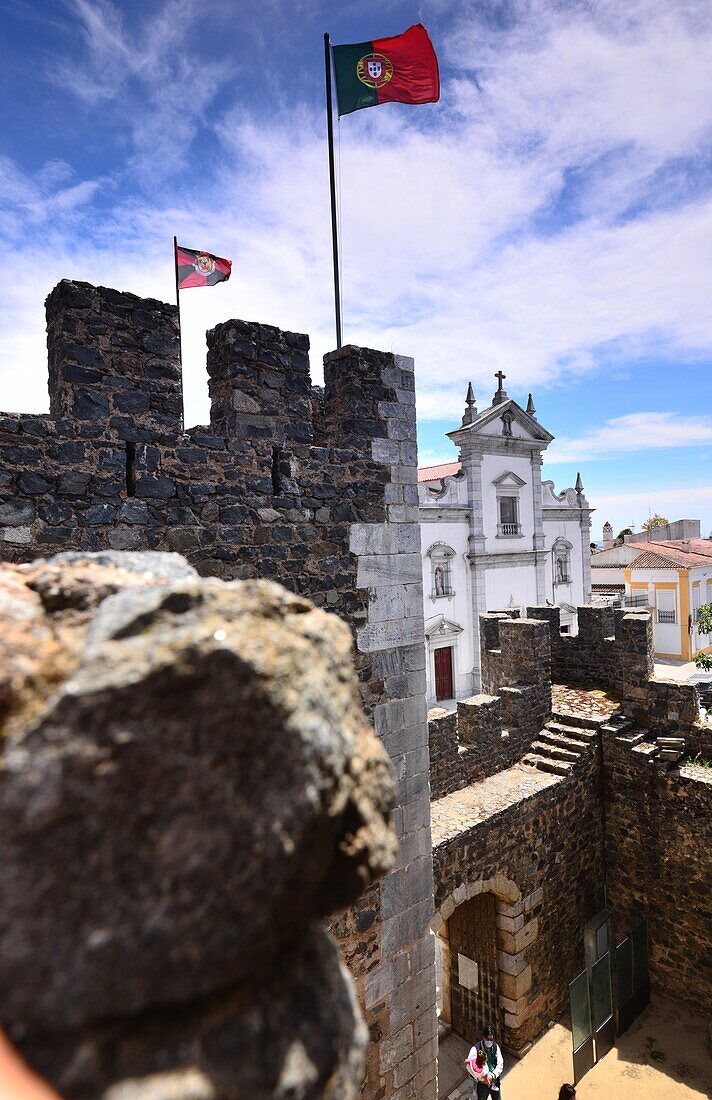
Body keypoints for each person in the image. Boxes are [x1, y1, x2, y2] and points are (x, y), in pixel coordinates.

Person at [466, 1024, 504, 1098]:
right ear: (483, 1037)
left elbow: (500, 1064)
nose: (489, 1041)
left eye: (491, 1039)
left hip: (494, 1081)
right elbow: (469, 1066)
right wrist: (481, 1078)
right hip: (482, 1085)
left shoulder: (496, 1047)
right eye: (487, 1039)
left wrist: (492, 1075)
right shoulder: (475, 1049)